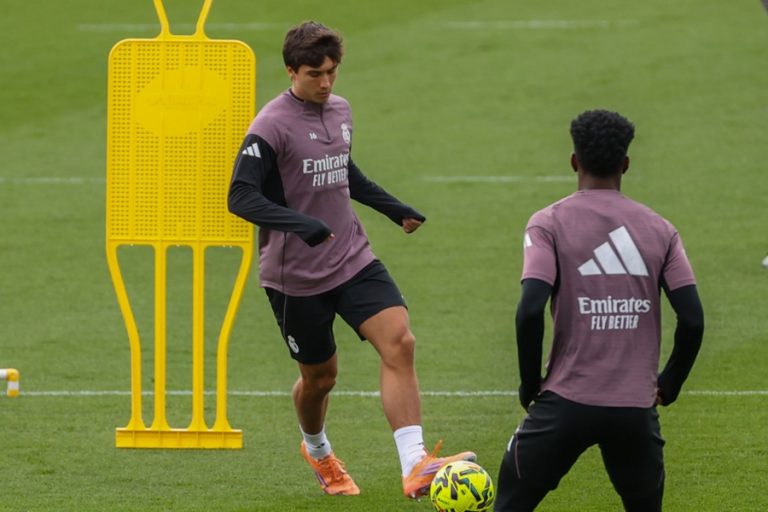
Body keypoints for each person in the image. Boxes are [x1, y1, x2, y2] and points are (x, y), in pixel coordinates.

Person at [227, 21, 475, 498]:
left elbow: (343, 171)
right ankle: (318, 450)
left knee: (399, 342)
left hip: (352, 257)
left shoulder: (340, 109)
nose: (326, 83)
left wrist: (392, 208)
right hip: (294, 277)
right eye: (315, 73)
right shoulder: (269, 126)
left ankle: (415, 464)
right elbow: (239, 197)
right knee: (321, 379)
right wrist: (301, 225)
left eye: (332, 72)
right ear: (291, 70)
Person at [494, 110, 704, 511]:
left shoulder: (548, 223)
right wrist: (671, 381)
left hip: (565, 404)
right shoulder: (660, 229)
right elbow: (692, 319)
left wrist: (528, 382)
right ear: (625, 164)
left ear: (574, 161)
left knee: (510, 504)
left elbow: (530, 309)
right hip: (634, 410)